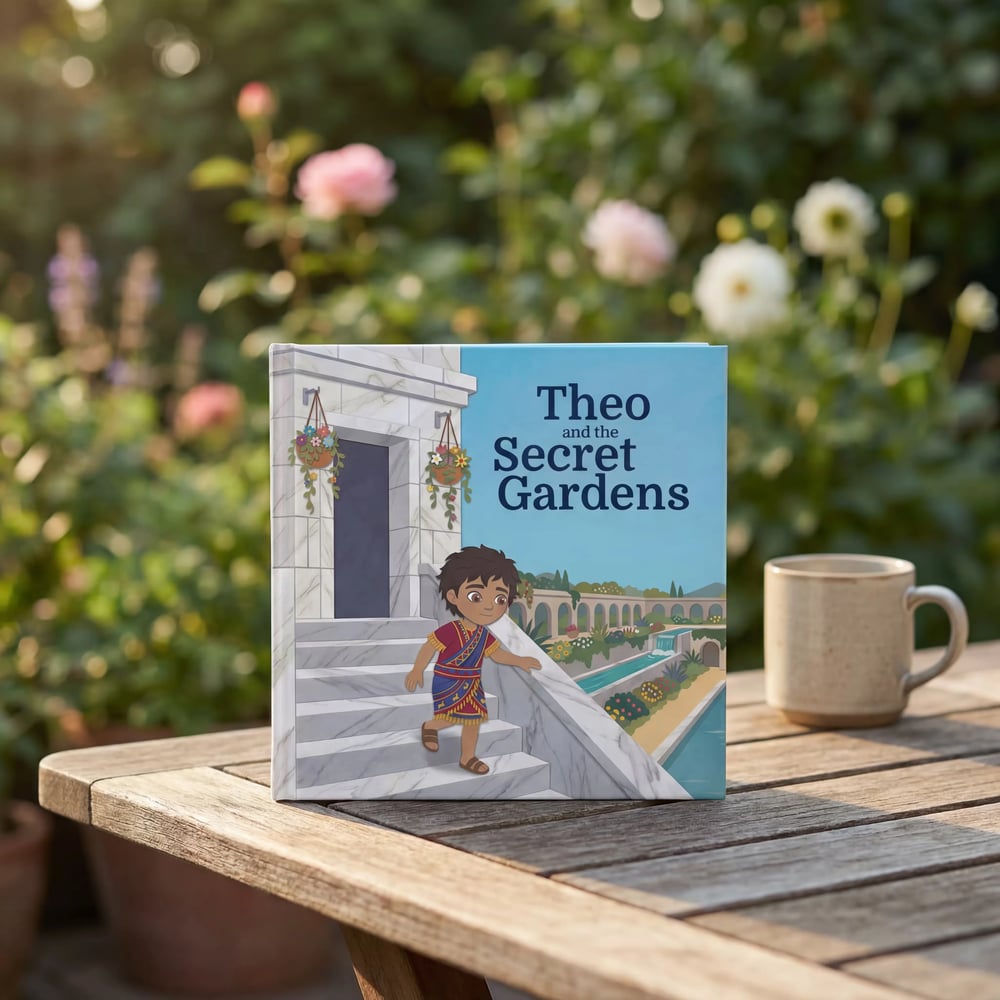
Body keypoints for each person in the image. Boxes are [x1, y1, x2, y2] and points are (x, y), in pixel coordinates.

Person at [405, 545, 540, 775]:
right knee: (449, 718)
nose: (488, 606)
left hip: (472, 684)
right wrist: (417, 670)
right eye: (475, 596)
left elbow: (497, 654)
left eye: (499, 598)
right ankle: (430, 726)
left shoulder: (484, 635)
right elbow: (430, 647)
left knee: (472, 720)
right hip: (448, 681)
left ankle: (467, 757)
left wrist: (519, 660)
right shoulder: (450, 630)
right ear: (453, 596)